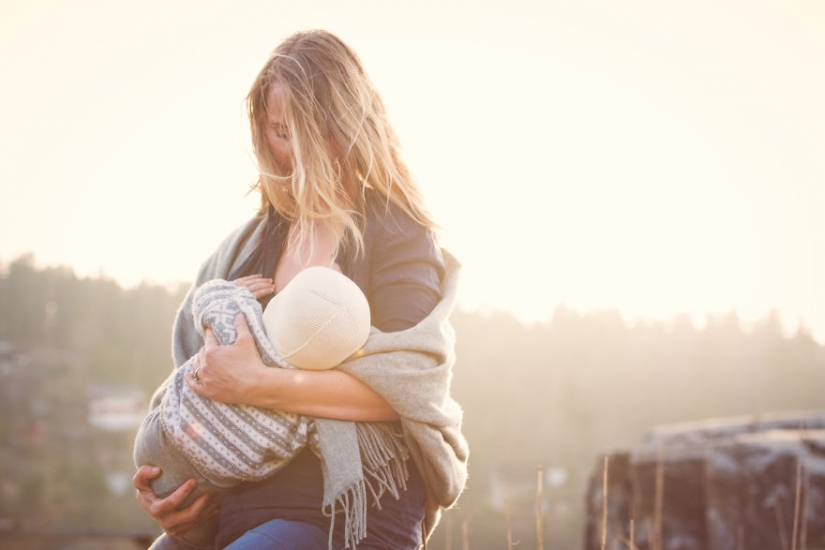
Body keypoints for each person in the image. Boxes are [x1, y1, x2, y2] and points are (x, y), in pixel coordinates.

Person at [133, 29, 468, 550]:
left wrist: (256, 384)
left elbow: (407, 387)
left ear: (354, 128)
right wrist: (172, 488)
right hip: (240, 512)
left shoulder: (396, 232)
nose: (297, 155)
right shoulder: (245, 248)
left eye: (315, 133)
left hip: (347, 514)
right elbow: (196, 385)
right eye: (281, 132)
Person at [133, 266, 372, 549]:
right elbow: (327, 445)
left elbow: (207, 297)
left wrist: (235, 292)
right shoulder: (302, 410)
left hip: (159, 439)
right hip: (209, 487)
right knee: (195, 534)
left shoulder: (241, 324)